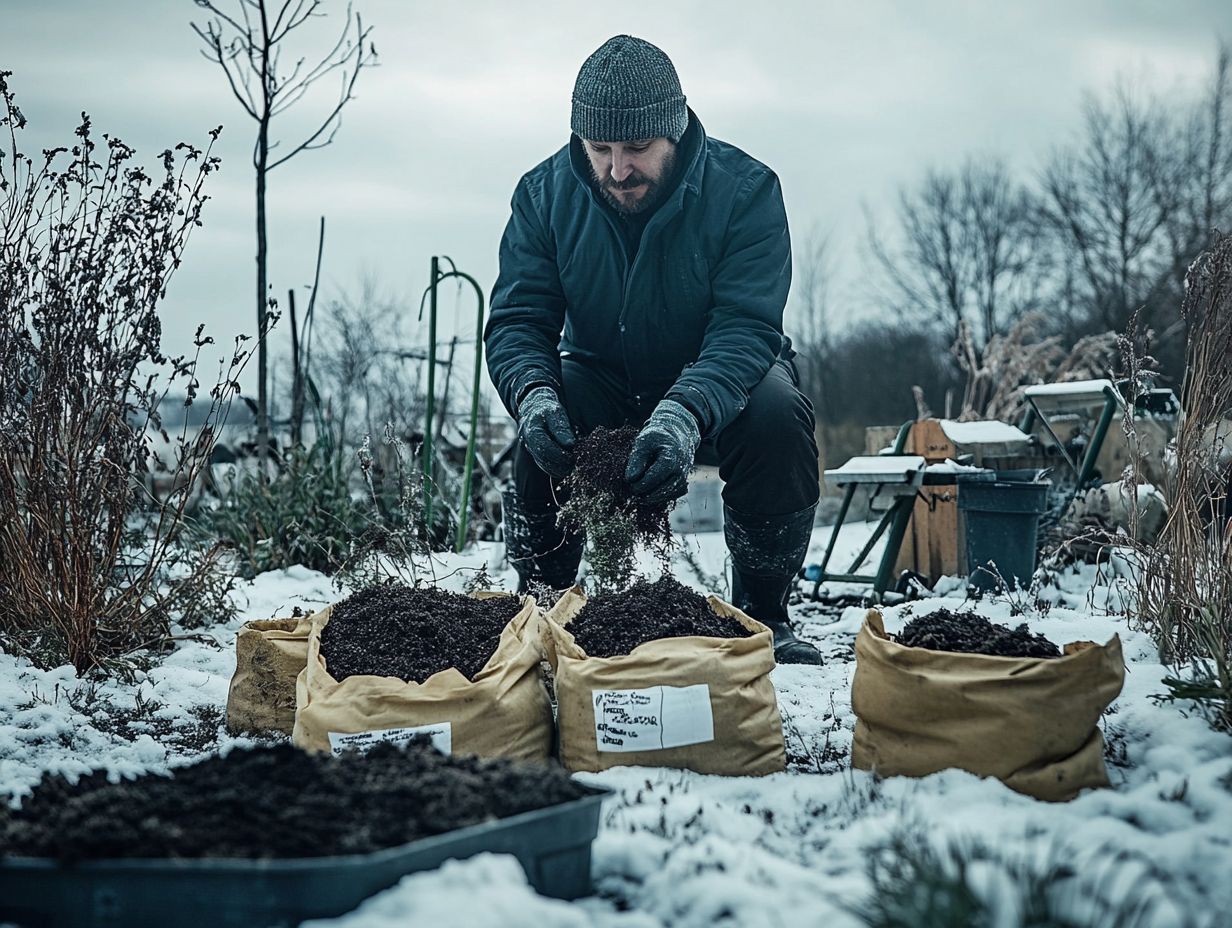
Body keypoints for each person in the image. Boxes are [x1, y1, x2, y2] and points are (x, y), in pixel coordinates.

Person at [485, 35, 822, 665]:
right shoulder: (542, 195)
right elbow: (519, 322)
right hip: (602, 379)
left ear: (674, 131)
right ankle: (540, 608)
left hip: (721, 383)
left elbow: (747, 329)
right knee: (545, 414)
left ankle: (765, 615)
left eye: (637, 148)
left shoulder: (745, 191)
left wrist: (685, 411)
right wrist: (532, 395)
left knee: (779, 410)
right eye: (600, 149)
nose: (617, 169)